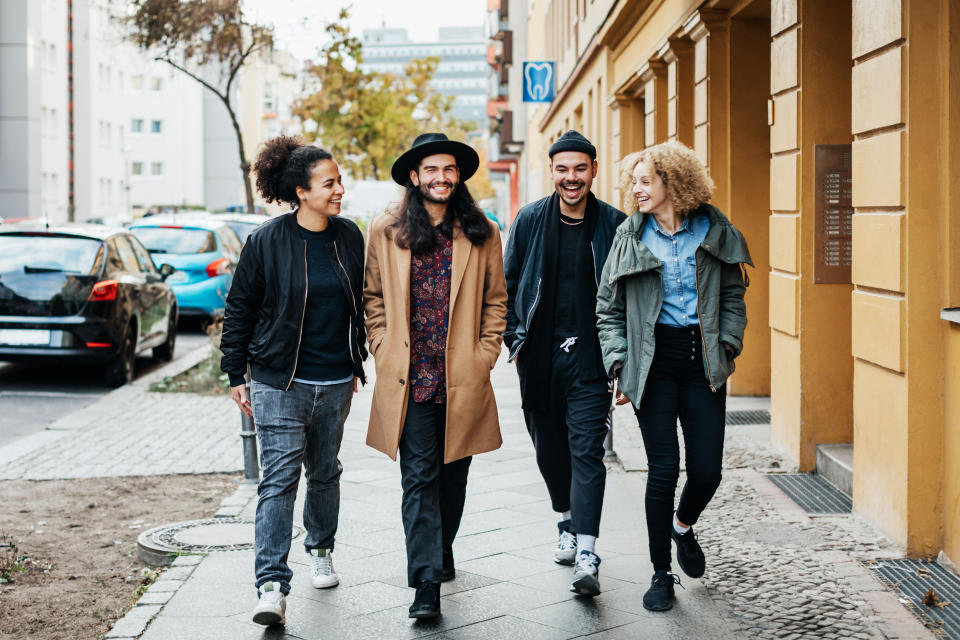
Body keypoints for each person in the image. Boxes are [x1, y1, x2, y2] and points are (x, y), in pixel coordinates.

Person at [596, 141, 752, 612]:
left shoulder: (713, 229)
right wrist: (620, 361)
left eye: (646, 181)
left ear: (674, 183)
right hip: (653, 362)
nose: (636, 190)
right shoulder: (630, 236)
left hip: (702, 361)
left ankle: (681, 525)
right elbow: (608, 310)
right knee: (663, 470)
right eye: (634, 181)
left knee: (707, 469)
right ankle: (661, 573)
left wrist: (727, 342)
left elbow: (732, 296)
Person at [220, 135, 367, 627]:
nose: (339, 189)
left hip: (333, 381)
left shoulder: (349, 237)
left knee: (324, 471)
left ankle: (321, 548)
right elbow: (240, 307)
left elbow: (361, 305)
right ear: (302, 192)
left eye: (339, 181)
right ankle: (271, 585)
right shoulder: (266, 240)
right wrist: (234, 372)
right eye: (330, 183)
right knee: (279, 479)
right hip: (277, 381)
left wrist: (358, 358)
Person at [364, 132, 507, 619]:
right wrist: (382, 348)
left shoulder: (482, 231)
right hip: (410, 379)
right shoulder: (385, 229)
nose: (441, 178)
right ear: (414, 176)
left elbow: (496, 303)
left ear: (459, 176)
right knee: (419, 479)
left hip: (461, 376)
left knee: (453, 476)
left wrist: (485, 354)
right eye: (432, 170)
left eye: (449, 170)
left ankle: (442, 546)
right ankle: (425, 584)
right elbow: (373, 298)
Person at [503, 130, 626, 597]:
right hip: (539, 355)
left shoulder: (614, 224)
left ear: (594, 170)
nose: (571, 178)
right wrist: (514, 339)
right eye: (562, 169)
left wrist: (624, 360)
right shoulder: (531, 219)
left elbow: (629, 296)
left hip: (592, 360)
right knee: (548, 450)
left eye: (580, 168)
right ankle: (565, 519)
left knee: (587, 452)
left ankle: (588, 551)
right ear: (552, 171)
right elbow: (509, 282)